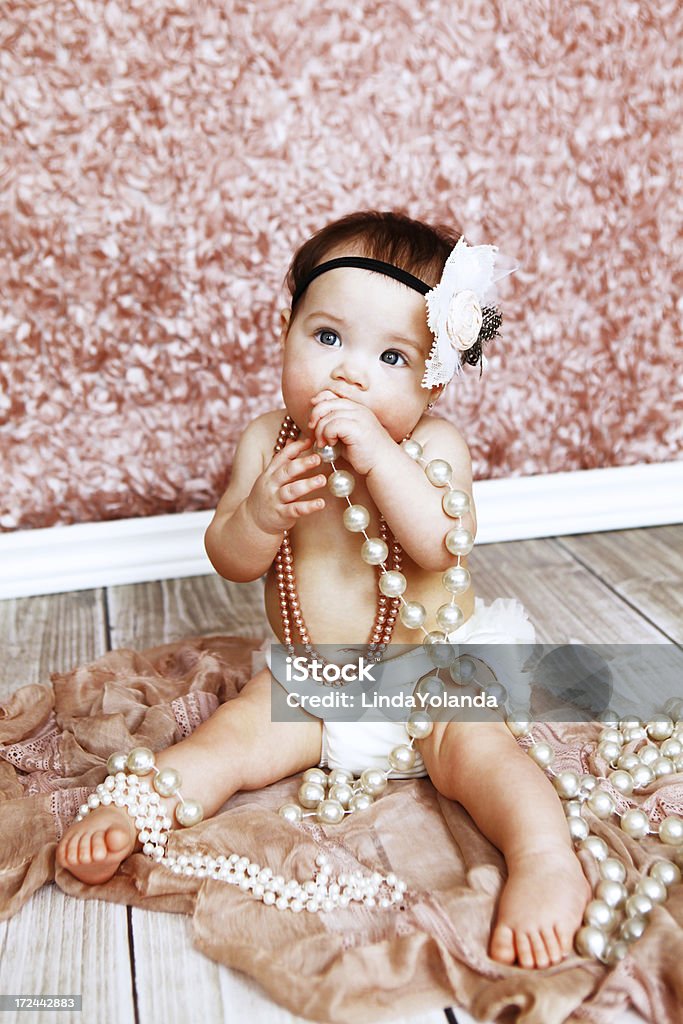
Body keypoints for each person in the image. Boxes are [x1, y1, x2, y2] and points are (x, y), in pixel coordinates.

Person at [56, 210, 590, 969]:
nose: (350, 372)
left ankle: (543, 860)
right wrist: (261, 512)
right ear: (287, 332)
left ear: (435, 378)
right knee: (232, 739)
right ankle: (136, 806)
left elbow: (441, 544)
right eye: (328, 337)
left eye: (391, 356)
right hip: (311, 680)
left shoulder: (431, 445)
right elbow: (230, 557)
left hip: (427, 676)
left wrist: (377, 455)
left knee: (485, 757)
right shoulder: (266, 441)